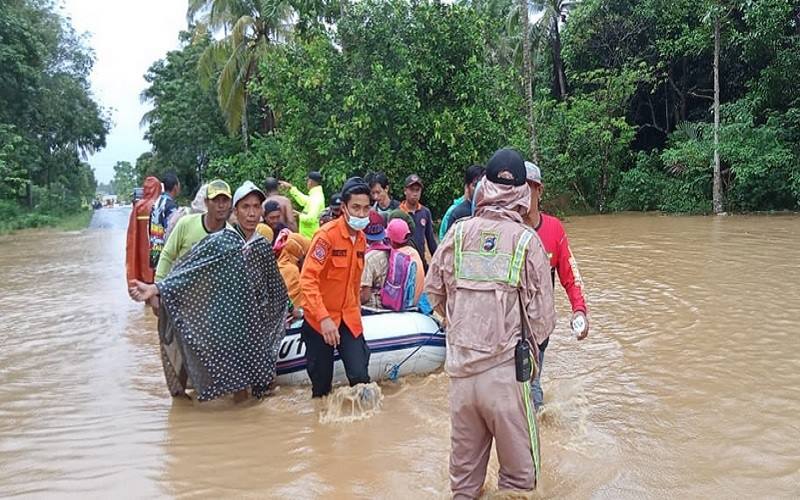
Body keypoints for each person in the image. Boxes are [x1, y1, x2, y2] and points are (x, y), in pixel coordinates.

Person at [424, 148, 556, 498]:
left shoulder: (457, 233)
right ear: (523, 193)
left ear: (484, 186)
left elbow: (434, 292)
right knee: (518, 483)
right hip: (507, 380)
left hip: (460, 377)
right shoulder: (527, 241)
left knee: (464, 486)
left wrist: (462, 326)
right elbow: (543, 319)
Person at [128, 180, 288, 402]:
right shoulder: (220, 240)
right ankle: (186, 398)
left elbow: (275, 287)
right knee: (193, 353)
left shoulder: (261, 245)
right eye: (245, 207)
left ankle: (245, 416)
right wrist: (157, 288)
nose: (251, 214)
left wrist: (287, 312)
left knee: (249, 383)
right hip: (213, 312)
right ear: (236, 210)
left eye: (256, 207)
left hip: (248, 319)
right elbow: (192, 269)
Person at [522, 161, 589, 410]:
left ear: (539, 191)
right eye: (518, 187)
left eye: (529, 188)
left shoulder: (553, 229)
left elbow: (570, 275)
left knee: (532, 385)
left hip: (539, 325)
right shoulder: (505, 229)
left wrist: (579, 309)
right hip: (506, 325)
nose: (523, 194)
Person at [299, 177, 372, 398]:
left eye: (366, 208)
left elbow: (355, 282)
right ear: (344, 208)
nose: (361, 214)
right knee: (321, 389)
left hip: (348, 318)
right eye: (356, 208)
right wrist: (323, 318)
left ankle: (362, 430)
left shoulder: (361, 239)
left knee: (360, 378)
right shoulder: (326, 237)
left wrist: (357, 311)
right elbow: (307, 279)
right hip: (320, 320)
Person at [154, 179, 232, 282]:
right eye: (216, 200)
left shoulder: (231, 236)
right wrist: (158, 286)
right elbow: (167, 255)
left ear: (230, 204)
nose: (221, 205)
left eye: (225, 200)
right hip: (180, 288)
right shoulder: (186, 223)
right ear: (206, 202)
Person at [126, 176, 162, 286]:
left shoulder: (139, 207)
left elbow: (132, 234)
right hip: (160, 253)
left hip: (143, 256)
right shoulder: (162, 205)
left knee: (146, 285)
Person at [399, 174, 437, 271]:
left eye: (417, 190)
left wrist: (437, 261)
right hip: (403, 264)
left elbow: (431, 240)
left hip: (421, 263)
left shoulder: (425, 212)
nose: (415, 194)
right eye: (412, 190)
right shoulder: (398, 213)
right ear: (405, 191)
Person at [441, 164, 485, 237]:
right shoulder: (457, 213)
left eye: (482, 185)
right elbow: (446, 243)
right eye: (475, 185)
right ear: (467, 186)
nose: (479, 189)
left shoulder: (491, 212)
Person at [149, 172, 181, 269]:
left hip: (154, 249)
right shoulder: (171, 207)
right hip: (165, 252)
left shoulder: (156, 203)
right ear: (175, 187)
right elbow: (173, 230)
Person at [281, 171, 325, 239]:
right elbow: (304, 201)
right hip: (309, 235)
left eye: (307, 181)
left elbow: (311, 219)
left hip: (310, 236)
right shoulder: (315, 195)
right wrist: (291, 188)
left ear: (310, 182)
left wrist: (299, 215)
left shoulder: (316, 198)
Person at [277, 233, 312, 320]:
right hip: (290, 320)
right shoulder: (292, 270)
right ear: (299, 251)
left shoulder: (279, 264)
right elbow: (289, 299)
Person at [361, 210, 391, 308]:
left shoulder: (368, 258)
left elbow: (365, 296)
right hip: (389, 304)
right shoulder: (391, 251)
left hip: (373, 308)